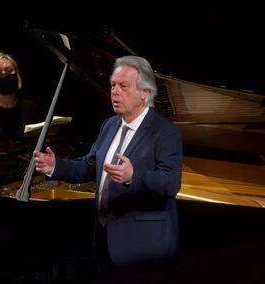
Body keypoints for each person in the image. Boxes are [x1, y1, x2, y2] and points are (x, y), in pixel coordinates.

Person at [34, 55, 182, 272]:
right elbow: (89, 166)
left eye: (123, 86)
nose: (115, 91)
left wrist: (134, 176)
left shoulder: (165, 132)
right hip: (105, 239)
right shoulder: (110, 125)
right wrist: (55, 166)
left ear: (145, 92)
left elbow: (170, 184)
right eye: (113, 85)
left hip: (144, 246)